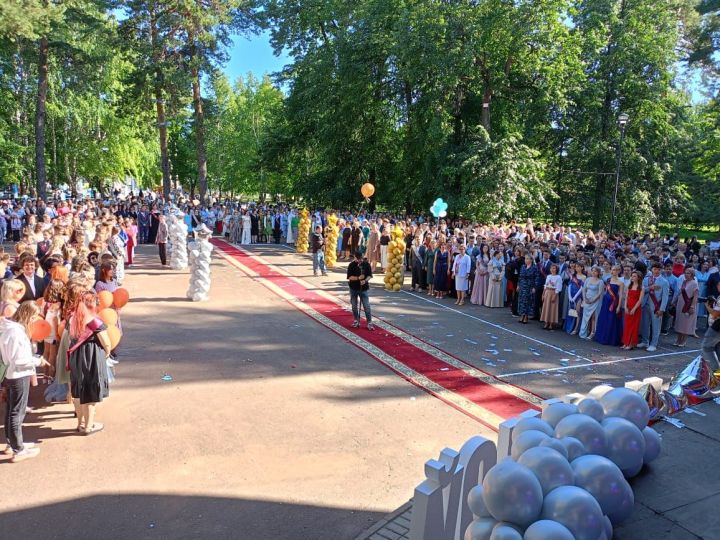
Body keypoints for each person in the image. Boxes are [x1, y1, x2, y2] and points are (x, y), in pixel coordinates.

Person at [1, 301, 51, 462]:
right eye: (35, 316)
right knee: (17, 412)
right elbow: (20, 360)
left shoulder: (10, 328)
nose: (35, 321)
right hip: (18, 374)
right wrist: (37, 362)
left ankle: (13, 443)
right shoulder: (17, 333)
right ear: (28, 315)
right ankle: (18, 449)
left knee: (11, 410)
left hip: (12, 373)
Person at [68, 290, 113, 435]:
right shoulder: (94, 321)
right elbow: (106, 342)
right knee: (90, 391)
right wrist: (107, 352)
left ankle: (80, 422)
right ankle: (89, 426)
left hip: (75, 356)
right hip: (91, 356)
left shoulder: (73, 317)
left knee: (78, 391)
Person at [639, 262, 670, 352]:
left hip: (656, 307)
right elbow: (642, 291)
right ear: (651, 269)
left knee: (656, 326)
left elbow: (665, 297)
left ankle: (653, 344)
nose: (656, 271)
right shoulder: (646, 279)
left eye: (659, 269)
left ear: (661, 270)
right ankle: (645, 341)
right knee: (644, 325)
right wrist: (650, 288)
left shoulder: (664, 282)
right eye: (655, 269)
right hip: (645, 305)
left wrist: (662, 309)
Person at [594, 265, 625, 346]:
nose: (613, 271)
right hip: (606, 302)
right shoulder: (608, 280)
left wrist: (618, 306)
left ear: (618, 271)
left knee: (612, 320)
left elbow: (621, 295)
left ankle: (610, 339)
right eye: (612, 270)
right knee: (604, 319)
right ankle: (602, 337)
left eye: (615, 270)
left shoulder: (621, 282)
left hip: (614, 302)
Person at [347, 251, 374, 330]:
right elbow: (349, 277)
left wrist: (365, 280)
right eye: (357, 259)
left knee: (366, 306)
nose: (359, 260)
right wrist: (358, 278)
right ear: (355, 257)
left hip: (363, 288)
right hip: (353, 288)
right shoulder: (351, 265)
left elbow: (370, 275)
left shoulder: (366, 264)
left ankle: (369, 322)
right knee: (354, 306)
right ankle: (356, 320)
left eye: (360, 259)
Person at [673, 267, 698, 347]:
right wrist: (674, 301)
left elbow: (695, 296)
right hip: (680, 304)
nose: (686, 274)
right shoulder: (684, 282)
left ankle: (683, 341)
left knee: (686, 324)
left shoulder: (694, 283)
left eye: (688, 273)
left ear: (692, 274)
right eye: (686, 273)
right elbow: (679, 292)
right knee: (680, 323)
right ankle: (678, 339)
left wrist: (692, 307)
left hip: (688, 305)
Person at [621, 270, 645, 350]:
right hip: (628, 307)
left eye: (634, 276)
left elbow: (640, 300)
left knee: (633, 326)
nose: (632, 277)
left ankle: (631, 344)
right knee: (627, 326)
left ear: (638, 278)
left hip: (636, 308)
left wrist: (634, 309)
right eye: (632, 276)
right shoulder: (629, 286)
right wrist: (625, 306)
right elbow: (626, 297)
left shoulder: (641, 288)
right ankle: (625, 342)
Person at [579, 266, 604, 340]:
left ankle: (593, 332)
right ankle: (584, 332)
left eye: (595, 271)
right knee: (586, 316)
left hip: (595, 301)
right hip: (587, 300)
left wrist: (592, 300)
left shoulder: (600, 281)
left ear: (598, 273)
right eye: (592, 271)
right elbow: (584, 289)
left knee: (593, 317)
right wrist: (585, 299)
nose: (593, 272)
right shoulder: (588, 279)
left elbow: (599, 293)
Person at [701, 281, 720, 369]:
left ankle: (717, 373)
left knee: (707, 347)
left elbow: (715, 314)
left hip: (717, 327)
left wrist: (707, 306)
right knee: (717, 349)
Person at [540, 263, 562, 330]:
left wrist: (555, 296)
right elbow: (545, 286)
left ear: (557, 269)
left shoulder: (558, 277)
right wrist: (543, 294)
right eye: (551, 268)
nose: (552, 269)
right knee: (546, 308)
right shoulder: (548, 276)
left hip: (553, 293)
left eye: (554, 268)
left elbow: (558, 288)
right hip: (547, 292)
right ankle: (546, 322)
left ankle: (551, 323)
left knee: (552, 308)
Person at [518, 255, 539, 324]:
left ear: (531, 260)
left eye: (527, 259)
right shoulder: (523, 266)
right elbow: (520, 276)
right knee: (521, 300)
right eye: (525, 259)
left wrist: (534, 287)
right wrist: (518, 285)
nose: (526, 260)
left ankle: (526, 316)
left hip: (529, 286)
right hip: (522, 286)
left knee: (528, 301)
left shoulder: (534, 268)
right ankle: (522, 314)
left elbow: (536, 278)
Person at [565, 265, 585, 334]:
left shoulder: (583, 276)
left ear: (582, 267)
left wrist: (575, 297)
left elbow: (582, 288)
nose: (577, 268)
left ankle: (576, 328)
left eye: (579, 267)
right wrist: (570, 296)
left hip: (578, 296)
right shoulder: (573, 275)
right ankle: (570, 326)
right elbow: (570, 285)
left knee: (577, 311)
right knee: (571, 311)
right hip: (571, 294)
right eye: (576, 267)